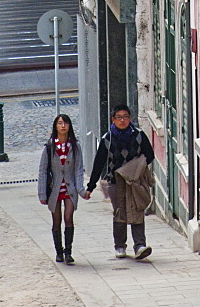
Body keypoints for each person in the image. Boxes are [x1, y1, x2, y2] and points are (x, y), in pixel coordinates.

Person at [83, 103, 155, 260]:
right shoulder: (107, 139)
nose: (122, 121)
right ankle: (120, 246)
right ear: (113, 120)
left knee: (137, 209)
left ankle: (140, 246)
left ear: (130, 118)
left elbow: (149, 155)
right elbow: (99, 163)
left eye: (125, 117)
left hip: (135, 181)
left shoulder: (138, 135)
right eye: (119, 117)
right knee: (120, 212)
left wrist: (134, 168)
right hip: (116, 182)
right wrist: (90, 186)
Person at [38, 114, 86, 265]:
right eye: (60, 123)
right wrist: (42, 193)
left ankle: (68, 251)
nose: (63, 126)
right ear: (56, 126)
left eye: (65, 123)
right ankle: (59, 251)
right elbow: (43, 170)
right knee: (56, 220)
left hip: (70, 188)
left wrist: (81, 189)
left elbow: (78, 169)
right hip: (55, 189)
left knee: (68, 217)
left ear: (70, 126)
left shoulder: (75, 146)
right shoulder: (50, 147)